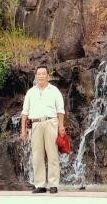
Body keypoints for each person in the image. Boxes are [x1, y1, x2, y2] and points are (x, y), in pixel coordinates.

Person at [20, 64, 66, 193]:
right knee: (37, 155)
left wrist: (61, 126)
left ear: (47, 76)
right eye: (38, 74)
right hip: (35, 124)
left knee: (52, 154)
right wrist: (23, 131)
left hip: (51, 122)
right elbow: (24, 113)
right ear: (35, 76)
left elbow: (60, 110)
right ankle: (40, 185)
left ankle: (53, 184)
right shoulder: (30, 92)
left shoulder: (54, 91)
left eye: (43, 74)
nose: (41, 76)